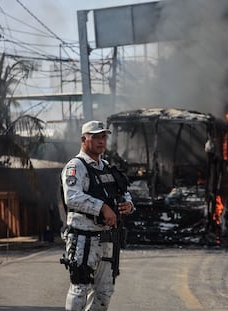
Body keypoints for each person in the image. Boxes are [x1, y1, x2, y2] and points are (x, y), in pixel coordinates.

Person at [61, 120, 134, 311]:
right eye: (96, 137)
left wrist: (128, 205)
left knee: (104, 291)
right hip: (83, 237)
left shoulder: (107, 167)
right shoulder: (76, 166)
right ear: (84, 139)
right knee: (80, 288)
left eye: (104, 137)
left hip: (107, 237)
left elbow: (123, 191)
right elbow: (72, 197)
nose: (101, 141)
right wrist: (102, 207)